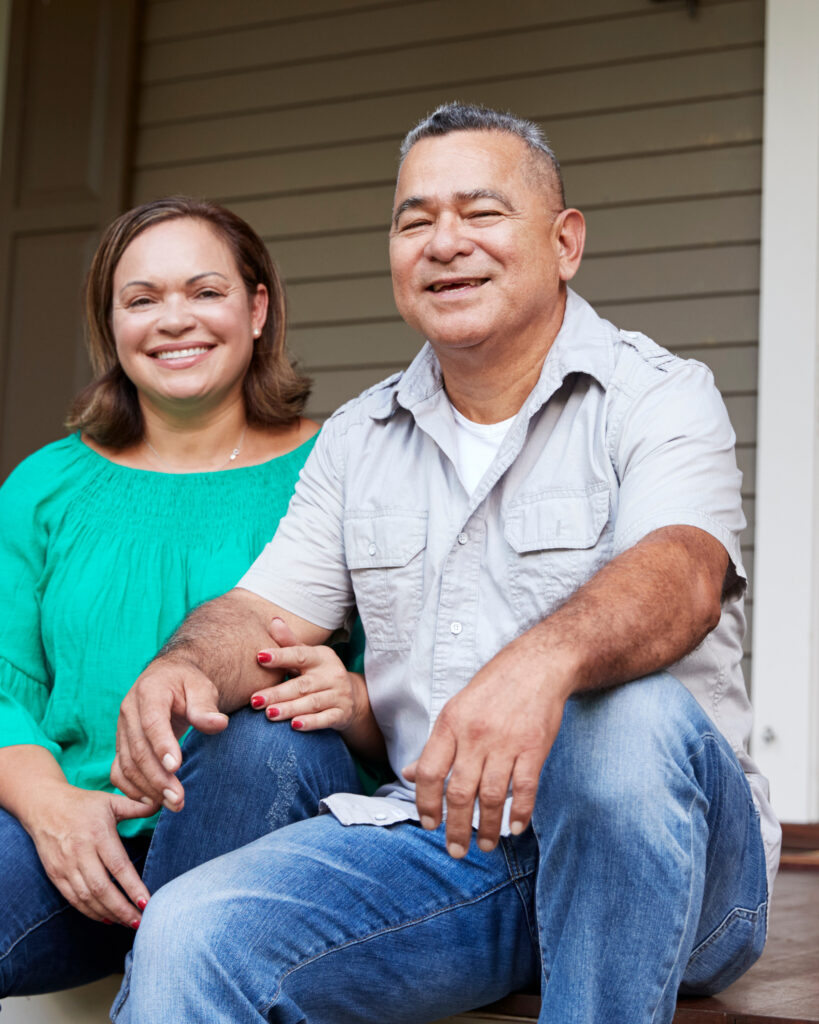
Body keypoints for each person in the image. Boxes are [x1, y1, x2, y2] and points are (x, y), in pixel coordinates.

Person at [110, 105, 781, 1024]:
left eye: (481, 212)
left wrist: (541, 665)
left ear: (564, 242)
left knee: (618, 717)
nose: (444, 242)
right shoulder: (359, 438)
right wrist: (182, 664)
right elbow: (261, 610)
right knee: (192, 931)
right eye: (414, 220)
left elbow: (684, 572)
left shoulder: (658, 395)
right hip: (453, 849)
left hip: (676, 865)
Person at [0, 196, 381, 999]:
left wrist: (349, 696)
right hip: (74, 831)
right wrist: (53, 811)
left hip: (263, 830)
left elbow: (414, 687)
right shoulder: (44, 486)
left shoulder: (343, 470)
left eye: (204, 292)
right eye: (141, 299)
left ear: (257, 307)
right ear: (111, 326)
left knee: (269, 746)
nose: (175, 320)